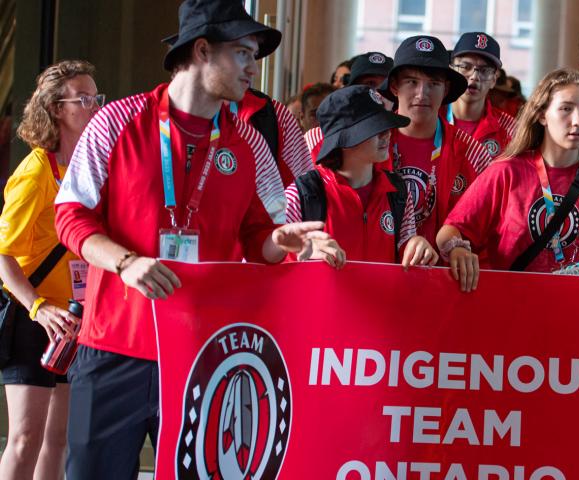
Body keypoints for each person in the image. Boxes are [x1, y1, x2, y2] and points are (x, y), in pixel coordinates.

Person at [53, 1, 341, 477]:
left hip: (201, 353)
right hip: (113, 347)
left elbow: (259, 238)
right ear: (202, 50)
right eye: (243, 53)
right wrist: (126, 263)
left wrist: (280, 241)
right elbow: (71, 216)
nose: (253, 67)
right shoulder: (118, 121)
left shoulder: (248, 143)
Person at [436, 68, 579, 294]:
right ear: (542, 115)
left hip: (574, 310)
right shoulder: (506, 172)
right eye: (566, 109)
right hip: (511, 308)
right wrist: (459, 250)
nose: (578, 121)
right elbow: (450, 231)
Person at [0, 59, 99, 480]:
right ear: (57, 108)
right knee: (25, 438)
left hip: (74, 320)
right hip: (34, 317)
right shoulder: (36, 170)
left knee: (58, 439)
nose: (95, 106)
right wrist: (38, 307)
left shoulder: (90, 169)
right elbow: (3, 255)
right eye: (84, 99)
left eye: (98, 97)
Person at [286, 86, 437, 267]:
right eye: (374, 128)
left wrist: (415, 246)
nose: (387, 133)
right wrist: (300, 251)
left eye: (386, 125)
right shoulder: (301, 195)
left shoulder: (398, 191)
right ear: (344, 140)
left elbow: (405, 249)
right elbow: (271, 260)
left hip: (381, 296)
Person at [378, 35, 492, 247]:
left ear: (446, 89)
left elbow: (487, 228)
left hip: (445, 276)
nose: (422, 94)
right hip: (380, 274)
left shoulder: (473, 153)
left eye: (433, 83)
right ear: (394, 87)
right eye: (412, 82)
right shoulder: (368, 143)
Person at [304, 51, 395, 157]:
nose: (379, 94)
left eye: (386, 85)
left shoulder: (406, 135)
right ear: (352, 91)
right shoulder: (320, 137)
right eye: (370, 84)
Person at [446, 32, 517, 159]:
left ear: (494, 80)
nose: (474, 77)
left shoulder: (511, 131)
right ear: (452, 70)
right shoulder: (432, 119)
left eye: (484, 71)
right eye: (465, 67)